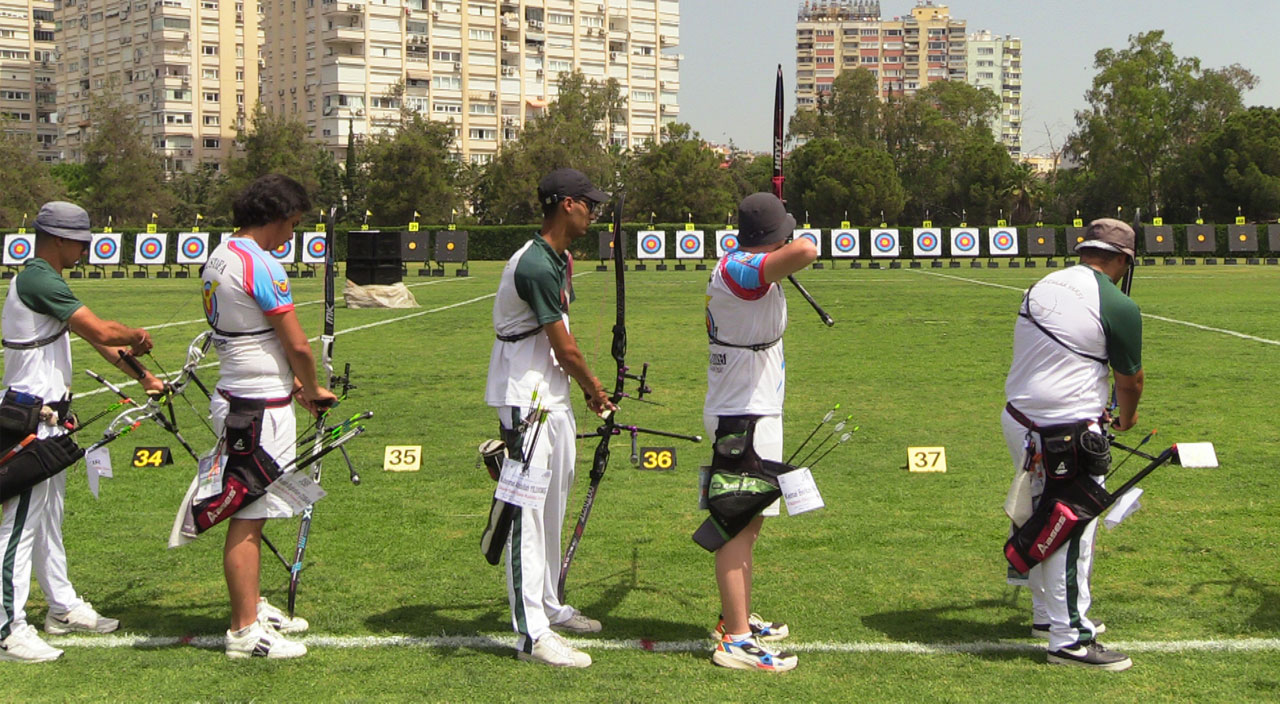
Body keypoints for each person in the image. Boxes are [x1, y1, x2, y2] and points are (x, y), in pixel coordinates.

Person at [1, 201, 165, 663]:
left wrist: (143, 377)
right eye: (81, 242)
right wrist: (134, 335)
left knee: (47, 520)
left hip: (49, 420)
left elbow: (94, 340)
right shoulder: (37, 278)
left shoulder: (47, 282)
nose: (86, 250)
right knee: (18, 529)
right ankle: (6, 630)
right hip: (29, 421)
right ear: (57, 238)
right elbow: (103, 330)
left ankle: (62, 607)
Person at [483, 168, 615, 668]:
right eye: (589, 203)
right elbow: (564, 343)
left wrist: (579, 390)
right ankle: (530, 635)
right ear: (565, 204)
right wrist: (594, 389)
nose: (594, 212)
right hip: (525, 396)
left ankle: (550, 606)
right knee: (527, 515)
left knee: (553, 504)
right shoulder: (535, 263)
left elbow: (561, 335)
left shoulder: (557, 260)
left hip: (550, 393)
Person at [200, 174, 335, 659]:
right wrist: (314, 386)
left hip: (244, 396)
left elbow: (256, 335)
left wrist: (294, 383)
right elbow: (296, 342)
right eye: (292, 224)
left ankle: (252, 605)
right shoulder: (261, 263)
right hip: (257, 408)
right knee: (249, 516)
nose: (292, 235)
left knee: (251, 510)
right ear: (274, 218)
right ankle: (244, 632)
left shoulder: (221, 254)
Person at [1001, 218, 1144, 671]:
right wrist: (1126, 418)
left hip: (1020, 420)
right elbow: (1131, 381)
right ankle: (1069, 642)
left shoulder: (1041, 285)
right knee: (1071, 529)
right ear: (1122, 259)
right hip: (1065, 433)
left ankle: (1047, 616)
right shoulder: (1118, 304)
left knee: (1045, 517)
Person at [703, 192, 816, 672]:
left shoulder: (743, 263)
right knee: (734, 525)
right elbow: (806, 251)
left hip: (751, 411)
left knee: (748, 521)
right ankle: (736, 640)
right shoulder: (737, 271)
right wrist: (787, 245)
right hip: (743, 418)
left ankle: (738, 617)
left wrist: (773, 246)